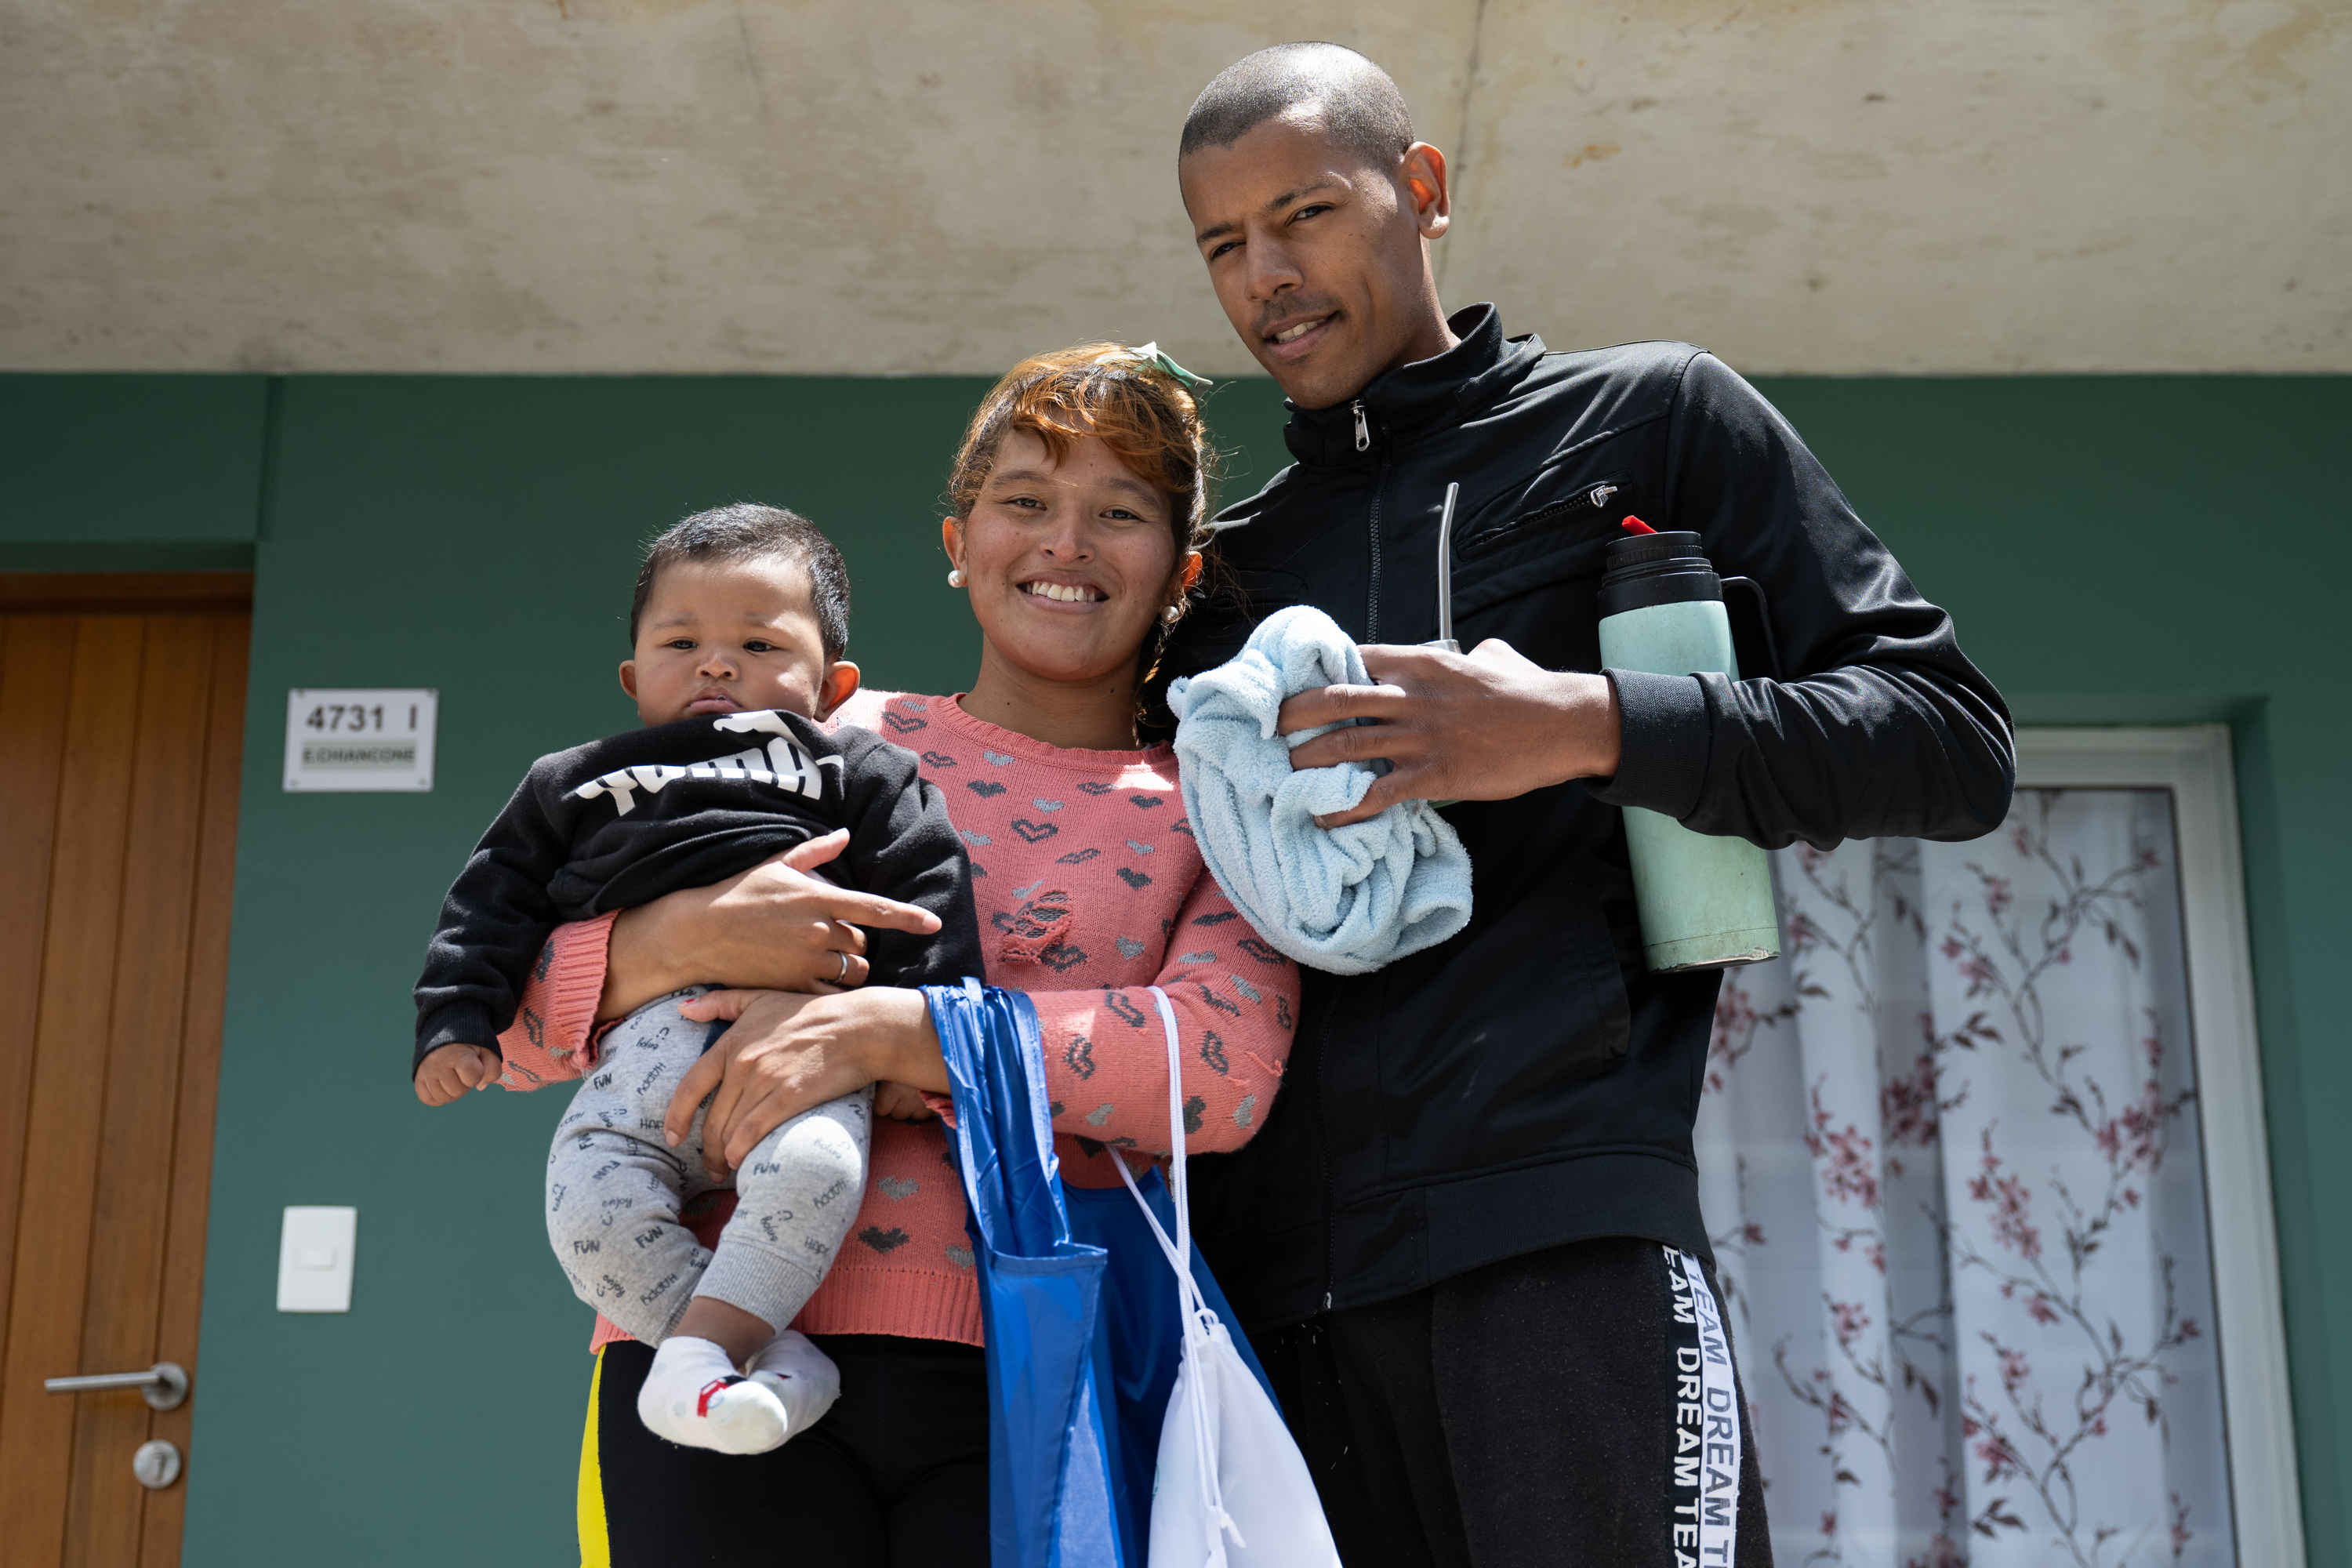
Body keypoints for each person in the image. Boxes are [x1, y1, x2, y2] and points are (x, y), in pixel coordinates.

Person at [1159, 43, 2016, 1568]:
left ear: (1421, 191)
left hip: (1553, 1239)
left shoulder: (1653, 419)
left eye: (1306, 214)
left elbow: (1946, 739)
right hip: (1272, 1310)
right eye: (1225, 244)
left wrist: (1582, 724)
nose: (1268, 277)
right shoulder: (1228, 566)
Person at [494, 345, 1301, 1565]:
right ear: (958, 539)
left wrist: (895, 1037)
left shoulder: (1218, 806)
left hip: (1026, 1367)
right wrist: (670, 945)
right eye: (1025, 501)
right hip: (707, 1344)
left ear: (1181, 568)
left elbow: (1220, 1071)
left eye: (1119, 512)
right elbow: (505, 1022)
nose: (1065, 544)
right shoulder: (810, 728)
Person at [413, 505, 982, 1456]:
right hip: (636, 1063)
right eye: (682, 641)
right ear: (635, 675)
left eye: (758, 642)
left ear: (833, 683)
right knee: (586, 1208)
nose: (716, 664)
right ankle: (754, 1354)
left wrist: (918, 1041)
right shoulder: (575, 780)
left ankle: (700, 1360)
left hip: (802, 1056)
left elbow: (930, 888)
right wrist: (456, 1018)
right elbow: (490, 900)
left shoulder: (854, 765)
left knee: (818, 1172)